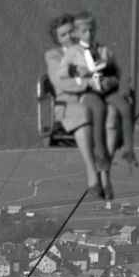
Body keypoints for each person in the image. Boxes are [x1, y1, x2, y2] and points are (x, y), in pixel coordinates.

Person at [43, 13, 107, 194]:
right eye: (62, 35)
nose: (68, 37)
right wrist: (88, 83)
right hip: (67, 104)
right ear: (57, 39)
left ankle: (102, 156)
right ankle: (91, 170)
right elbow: (60, 83)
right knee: (83, 113)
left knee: (102, 109)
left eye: (70, 32)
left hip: (90, 98)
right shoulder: (54, 55)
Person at [71, 11, 138, 178]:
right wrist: (83, 76)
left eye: (91, 30)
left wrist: (110, 80)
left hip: (105, 89)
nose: (89, 34)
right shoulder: (74, 53)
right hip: (89, 91)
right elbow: (69, 75)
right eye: (85, 31)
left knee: (124, 106)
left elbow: (115, 73)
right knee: (99, 110)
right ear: (77, 33)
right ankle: (101, 154)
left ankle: (128, 149)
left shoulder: (103, 51)